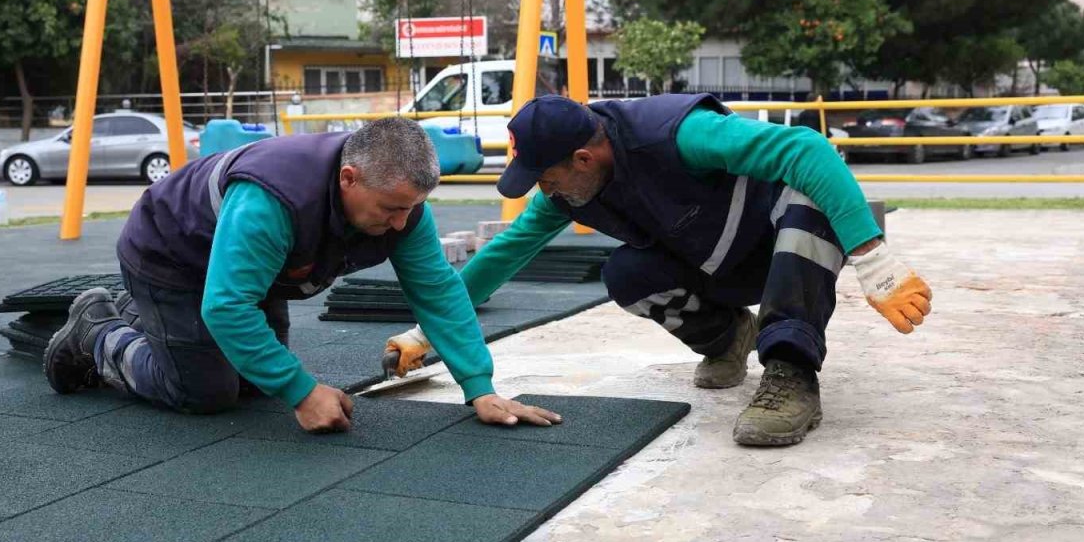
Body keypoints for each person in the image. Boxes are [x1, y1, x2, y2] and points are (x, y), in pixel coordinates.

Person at [383, 94, 932, 446]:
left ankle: (790, 373)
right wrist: (427, 332)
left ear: (583, 159)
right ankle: (729, 337)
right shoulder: (570, 192)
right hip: (722, 266)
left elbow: (808, 148)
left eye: (544, 177)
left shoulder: (676, 132)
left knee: (807, 201)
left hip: (783, 249)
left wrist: (872, 255)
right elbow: (504, 253)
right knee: (626, 273)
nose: (541, 190)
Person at [44, 117, 561, 433]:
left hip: (252, 272)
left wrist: (479, 386)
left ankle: (155, 322)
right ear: (348, 178)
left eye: (413, 209)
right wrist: (302, 391)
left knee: (254, 385)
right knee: (205, 393)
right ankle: (98, 331)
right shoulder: (272, 201)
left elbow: (438, 292)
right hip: (170, 255)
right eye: (391, 208)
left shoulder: (402, 207)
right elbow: (226, 307)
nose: (402, 223)